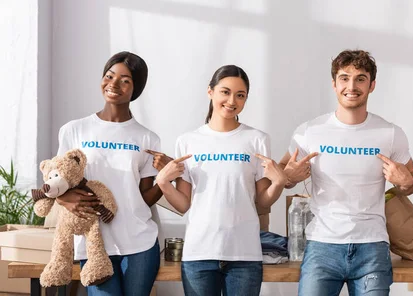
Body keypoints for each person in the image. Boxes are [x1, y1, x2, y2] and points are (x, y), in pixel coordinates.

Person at [281, 49, 413, 296]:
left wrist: (405, 182)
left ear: (372, 85)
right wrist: (288, 177)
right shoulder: (309, 131)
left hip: (372, 247)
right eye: (344, 78)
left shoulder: (390, 133)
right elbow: (285, 176)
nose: (352, 86)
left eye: (360, 78)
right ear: (334, 84)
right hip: (323, 246)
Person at [156, 65, 287, 296]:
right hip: (199, 255)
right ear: (210, 92)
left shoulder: (257, 140)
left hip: (244, 256)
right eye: (225, 92)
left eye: (240, 95)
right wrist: (164, 183)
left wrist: (277, 183)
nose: (231, 100)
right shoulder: (188, 141)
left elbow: (262, 203)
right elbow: (183, 204)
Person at [56, 51, 163, 296]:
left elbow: (145, 196)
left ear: (136, 88)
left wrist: (165, 177)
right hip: (94, 243)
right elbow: (59, 178)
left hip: (139, 243)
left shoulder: (147, 138)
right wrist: (63, 198)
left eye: (125, 80)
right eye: (109, 76)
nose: (114, 84)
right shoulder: (75, 130)